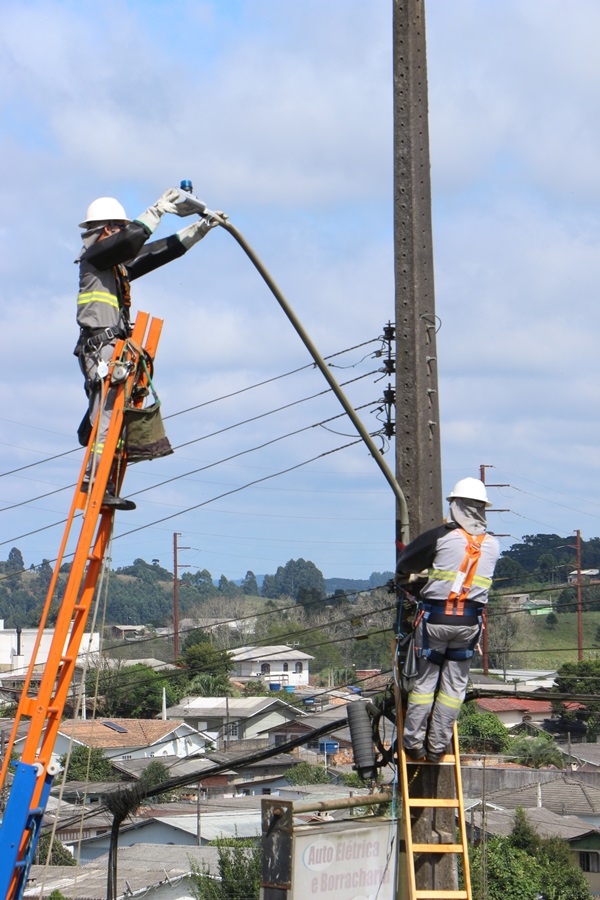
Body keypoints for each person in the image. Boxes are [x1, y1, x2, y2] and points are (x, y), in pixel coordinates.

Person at [74, 188, 219, 510]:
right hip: (102, 349)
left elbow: (155, 252)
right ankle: (96, 482)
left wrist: (199, 230)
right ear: (104, 229)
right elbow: (129, 242)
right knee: (108, 419)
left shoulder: (114, 267)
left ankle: (104, 480)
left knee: (117, 420)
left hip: (114, 349)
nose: (119, 233)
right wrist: (158, 210)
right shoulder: (94, 258)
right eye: (116, 227)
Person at [397, 477, 500, 762]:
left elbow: (405, 564)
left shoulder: (441, 536)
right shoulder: (493, 545)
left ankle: (413, 743)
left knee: (426, 683)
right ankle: (437, 747)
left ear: (456, 506)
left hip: (436, 621)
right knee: (454, 689)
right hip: (469, 626)